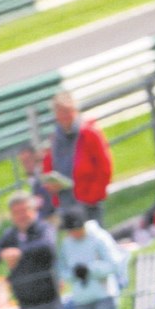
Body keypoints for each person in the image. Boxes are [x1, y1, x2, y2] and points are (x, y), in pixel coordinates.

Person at [42, 91, 114, 222]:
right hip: (65, 203)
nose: (64, 116)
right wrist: (52, 185)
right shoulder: (54, 139)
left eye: (67, 111)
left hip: (89, 203)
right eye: (60, 112)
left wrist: (92, 196)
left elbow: (105, 167)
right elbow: (48, 169)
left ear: (75, 110)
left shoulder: (89, 134)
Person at [16, 144, 53, 214]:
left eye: (28, 160)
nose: (26, 165)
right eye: (23, 162)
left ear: (35, 157)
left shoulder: (45, 173)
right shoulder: (31, 179)